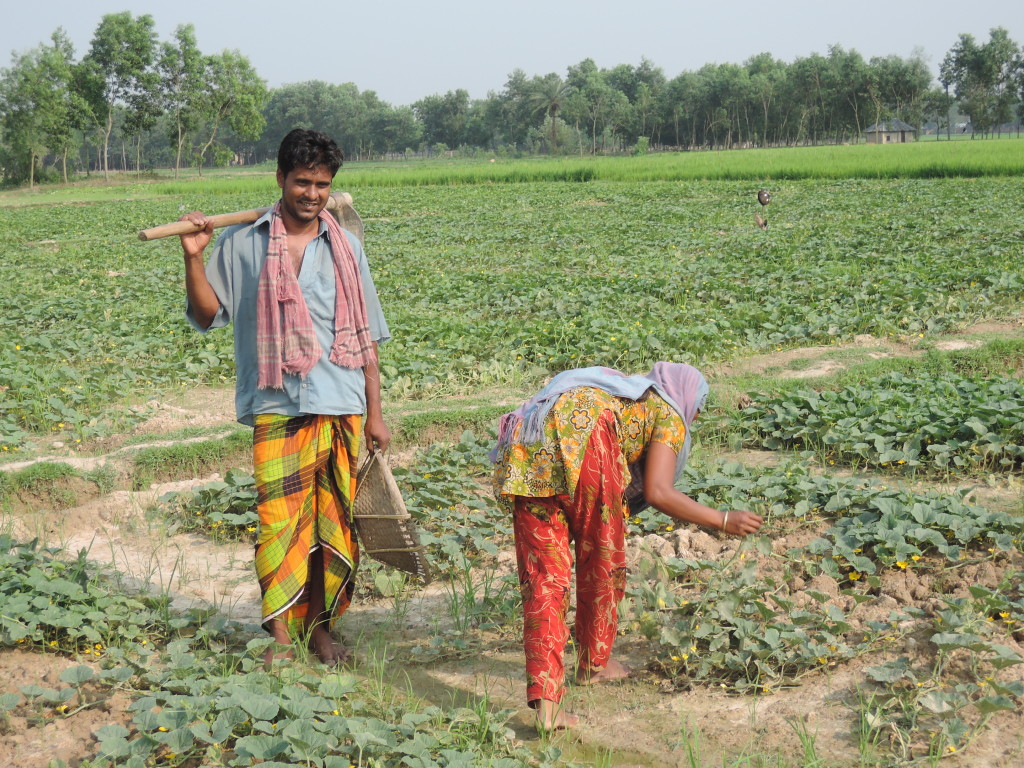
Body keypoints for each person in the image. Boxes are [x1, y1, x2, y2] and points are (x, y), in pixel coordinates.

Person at [179, 128, 391, 666]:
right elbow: (207, 315)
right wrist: (195, 258)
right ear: (280, 179)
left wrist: (377, 413)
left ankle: (321, 633)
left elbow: (365, 335)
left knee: (332, 524)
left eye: (322, 184)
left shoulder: (348, 247)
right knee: (279, 523)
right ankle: (280, 640)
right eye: (302, 182)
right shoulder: (243, 243)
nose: (312, 194)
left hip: (340, 401)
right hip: (277, 405)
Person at [491, 362, 763, 730]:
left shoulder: (623, 393)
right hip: (586, 433)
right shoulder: (668, 410)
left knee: (542, 579)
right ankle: (593, 664)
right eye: (699, 406)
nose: (696, 416)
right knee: (601, 558)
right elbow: (659, 492)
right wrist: (724, 519)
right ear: (687, 395)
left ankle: (547, 706)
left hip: (530, 437)